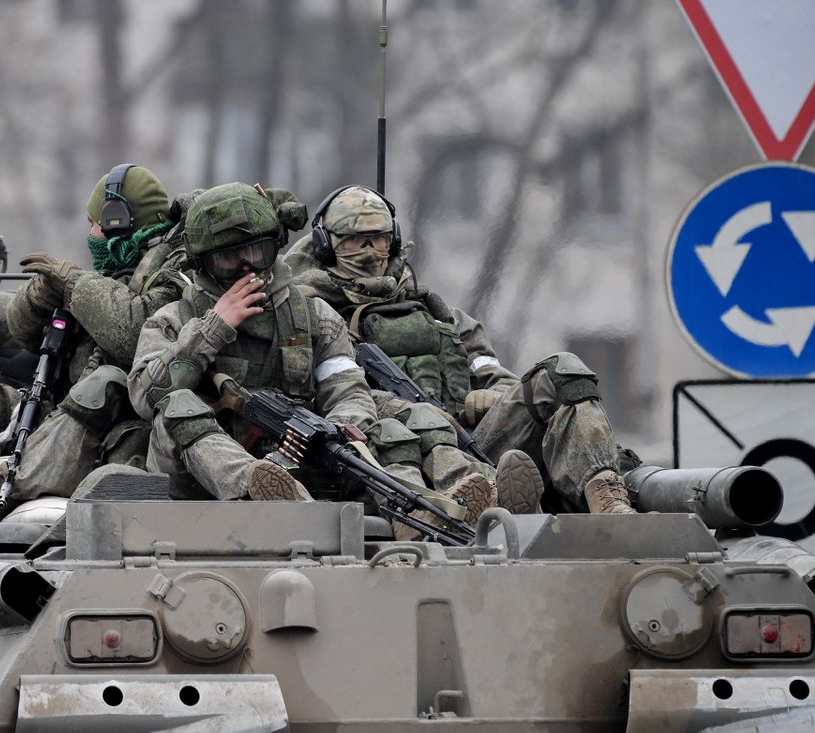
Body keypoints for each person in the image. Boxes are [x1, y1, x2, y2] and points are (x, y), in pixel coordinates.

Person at [288, 185, 633, 514]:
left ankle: (605, 495)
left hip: (474, 442)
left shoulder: (442, 317)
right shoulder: (311, 317)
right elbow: (331, 401)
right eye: (352, 241)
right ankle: (491, 495)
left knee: (562, 372)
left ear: (392, 241)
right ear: (325, 245)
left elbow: (497, 377)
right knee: (419, 422)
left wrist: (489, 397)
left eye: (377, 238)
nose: (368, 251)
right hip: (391, 459)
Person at [130, 182, 460, 513]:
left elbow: (348, 392)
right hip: (201, 486)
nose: (247, 267)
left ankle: (418, 512)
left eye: (257, 252)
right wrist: (213, 328)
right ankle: (255, 483)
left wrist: (333, 433)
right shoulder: (174, 319)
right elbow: (146, 398)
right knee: (179, 406)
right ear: (204, 265)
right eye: (229, 260)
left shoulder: (314, 316)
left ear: (273, 249)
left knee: (384, 427)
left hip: (299, 464)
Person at [0, 164, 190, 520]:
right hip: (60, 407)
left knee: (103, 383)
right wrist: (38, 296)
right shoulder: (118, 267)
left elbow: (136, 336)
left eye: (96, 221)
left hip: (109, 428)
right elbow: (23, 332)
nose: (92, 233)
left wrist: (73, 283)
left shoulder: (172, 272)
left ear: (119, 221)